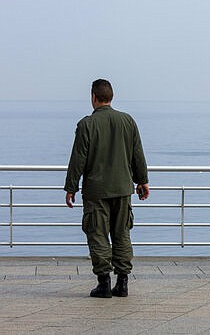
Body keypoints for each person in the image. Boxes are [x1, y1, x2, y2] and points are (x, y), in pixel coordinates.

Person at [64, 79, 150, 298]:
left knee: (98, 234)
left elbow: (78, 159)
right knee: (122, 233)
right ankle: (122, 283)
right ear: (111, 97)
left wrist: (71, 187)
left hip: (96, 191)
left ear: (93, 97)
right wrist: (142, 181)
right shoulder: (127, 121)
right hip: (122, 188)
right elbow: (137, 154)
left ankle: (104, 283)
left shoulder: (86, 124)